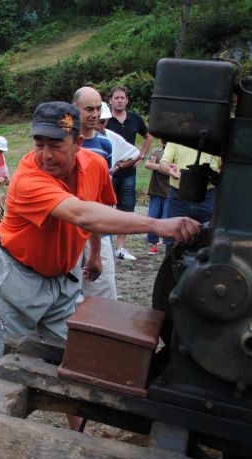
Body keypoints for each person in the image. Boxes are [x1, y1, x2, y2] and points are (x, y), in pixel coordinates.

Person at [0, 101, 201, 365]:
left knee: (74, 356)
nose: (45, 155)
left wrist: (95, 254)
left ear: (78, 142)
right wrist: (158, 224)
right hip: (17, 279)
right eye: (39, 143)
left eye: (55, 145)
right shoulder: (27, 180)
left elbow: (96, 209)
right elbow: (81, 213)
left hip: (64, 278)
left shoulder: (96, 165)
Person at [72, 87, 119, 302]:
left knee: (102, 289)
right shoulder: (63, 143)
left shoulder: (104, 145)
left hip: (97, 228)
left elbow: (103, 190)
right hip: (69, 227)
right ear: (75, 109)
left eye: (98, 109)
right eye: (89, 109)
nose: (95, 114)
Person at [106, 86, 154, 261]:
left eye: (122, 98)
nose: (119, 100)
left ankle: (121, 248)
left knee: (126, 209)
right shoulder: (105, 120)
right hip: (108, 173)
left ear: (127, 100)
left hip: (128, 172)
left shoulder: (135, 119)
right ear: (110, 100)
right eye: (116, 98)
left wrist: (140, 155)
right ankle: (107, 246)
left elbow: (148, 136)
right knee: (106, 208)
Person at [159, 142, 221, 253]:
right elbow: (163, 162)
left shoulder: (217, 140)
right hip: (179, 197)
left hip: (208, 197)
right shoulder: (177, 139)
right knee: (174, 239)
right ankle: (172, 267)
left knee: (206, 239)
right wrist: (170, 170)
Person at [143, 141, 170, 255]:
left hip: (170, 192)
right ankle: (153, 245)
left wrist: (156, 166)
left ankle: (168, 246)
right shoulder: (156, 151)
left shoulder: (175, 152)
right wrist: (164, 168)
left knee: (167, 220)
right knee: (152, 217)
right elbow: (147, 165)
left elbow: (174, 171)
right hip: (156, 191)